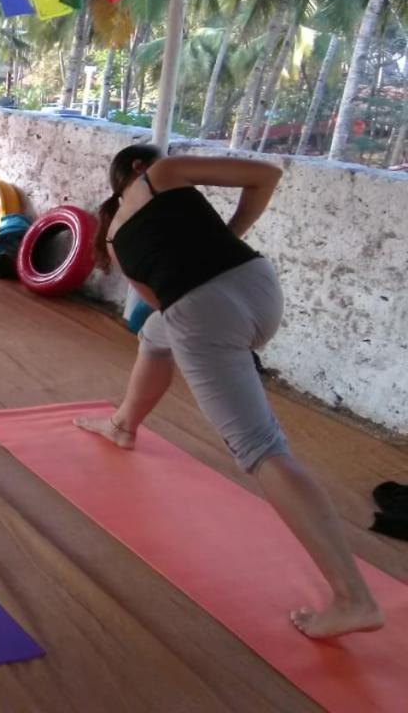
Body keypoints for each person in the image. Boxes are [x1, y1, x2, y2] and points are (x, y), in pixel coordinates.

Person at [76, 144, 382, 639]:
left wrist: (204, 286)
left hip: (204, 311)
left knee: (261, 449)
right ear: (140, 165)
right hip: (258, 287)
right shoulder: (166, 173)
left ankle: (354, 597)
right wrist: (228, 236)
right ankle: (122, 426)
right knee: (158, 335)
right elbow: (265, 176)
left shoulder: (113, 238)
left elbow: (165, 298)